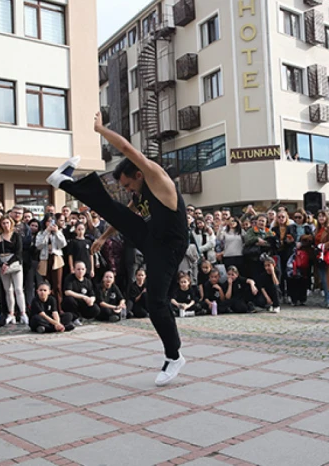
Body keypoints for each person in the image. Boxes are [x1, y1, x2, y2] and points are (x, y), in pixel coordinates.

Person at [47, 111, 190, 385]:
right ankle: (65, 181)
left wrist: (100, 129)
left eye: (127, 184)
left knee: (156, 301)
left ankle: (174, 356)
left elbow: (125, 148)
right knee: (113, 210)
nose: (127, 189)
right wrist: (104, 237)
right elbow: (123, 214)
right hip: (151, 237)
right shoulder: (140, 191)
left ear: (138, 173)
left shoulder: (156, 177)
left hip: (169, 245)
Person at [0, 216, 27, 326]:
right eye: (3, 223)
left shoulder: (16, 236)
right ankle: (11, 313)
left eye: (7, 223)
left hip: (15, 263)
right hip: (3, 264)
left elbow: (18, 252)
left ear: (11, 223)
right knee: (7, 290)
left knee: (18, 289)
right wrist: (1, 264)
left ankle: (23, 313)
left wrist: (8, 263)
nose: (5, 225)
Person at [36, 215, 67, 311]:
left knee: (57, 285)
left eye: (52, 221)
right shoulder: (41, 233)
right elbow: (39, 245)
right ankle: (45, 308)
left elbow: (63, 244)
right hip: (45, 259)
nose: (51, 224)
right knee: (45, 284)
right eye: (49, 221)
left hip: (56, 259)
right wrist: (47, 232)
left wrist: (56, 232)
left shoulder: (59, 232)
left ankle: (59, 307)